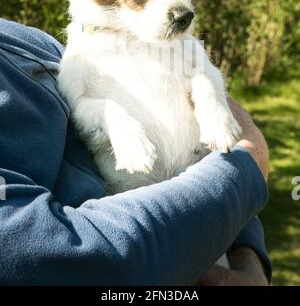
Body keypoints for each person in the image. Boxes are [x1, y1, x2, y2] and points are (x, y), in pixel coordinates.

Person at [0, 18, 271, 286]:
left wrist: (246, 254)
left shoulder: (38, 41)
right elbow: (53, 253)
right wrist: (246, 170)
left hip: (214, 243)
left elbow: (214, 140)